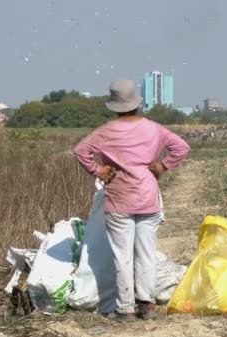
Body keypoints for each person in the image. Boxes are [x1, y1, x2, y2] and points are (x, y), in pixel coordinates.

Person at [73, 80, 190, 322]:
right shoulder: (154, 129)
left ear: (114, 105)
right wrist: (163, 165)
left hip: (118, 198)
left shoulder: (106, 131)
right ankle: (147, 305)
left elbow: (80, 151)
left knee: (122, 255)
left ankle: (125, 308)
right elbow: (181, 147)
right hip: (147, 197)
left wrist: (99, 171)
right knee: (146, 253)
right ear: (137, 103)